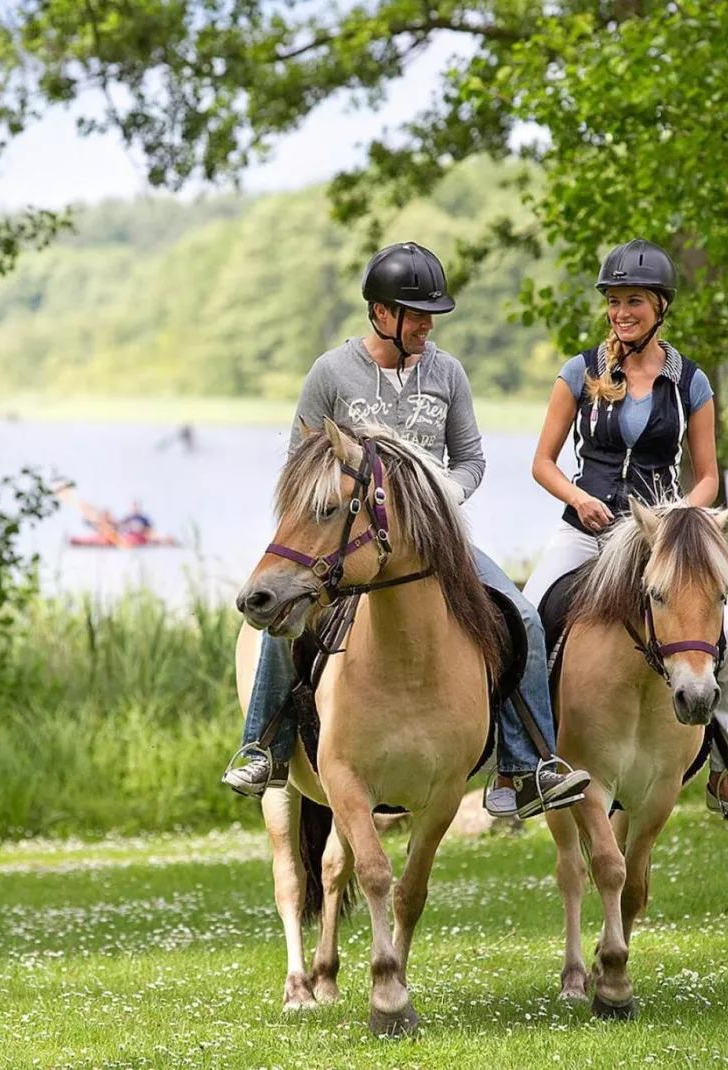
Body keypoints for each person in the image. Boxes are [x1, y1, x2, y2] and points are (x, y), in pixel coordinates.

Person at [222, 242, 591, 819]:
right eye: (416, 314)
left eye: (430, 316)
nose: (426, 326)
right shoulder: (331, 372)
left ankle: (527, 766)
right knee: (284, 613)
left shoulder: (447, 373)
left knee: (520, 616)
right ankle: (264, 747)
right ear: (381, 314)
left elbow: (471, 459)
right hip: (352, 541)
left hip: (435, 543)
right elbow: (301, 463)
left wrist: (437, 502)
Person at [522, 238, 728, 823]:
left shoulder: (692, 383)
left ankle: (725, 771)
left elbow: (708, 477)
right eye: (613, 301)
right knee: (525, 624)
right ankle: (524, 763)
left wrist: (679, 520)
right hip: (587, 529)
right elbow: (542, 463)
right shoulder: (580, 371)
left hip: (661, 537)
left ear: (660, 307)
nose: (620, 312)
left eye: (634, 301)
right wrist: (579, 498)